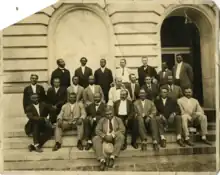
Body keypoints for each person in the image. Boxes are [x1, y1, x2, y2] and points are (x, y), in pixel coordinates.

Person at [92, 106, 125, 171]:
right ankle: (102, 160)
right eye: (107, 114)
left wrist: (113, 135)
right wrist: (104, 136)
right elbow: (97, 130)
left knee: (121, 136)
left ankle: (112, 157)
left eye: (110, 114)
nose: (109, 115)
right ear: (105, 114)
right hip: (105, 137)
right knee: (96, 138)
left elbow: (122, 130)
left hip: (114, 137)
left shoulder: (118, 120)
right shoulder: (102, 120)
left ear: (113, 113)